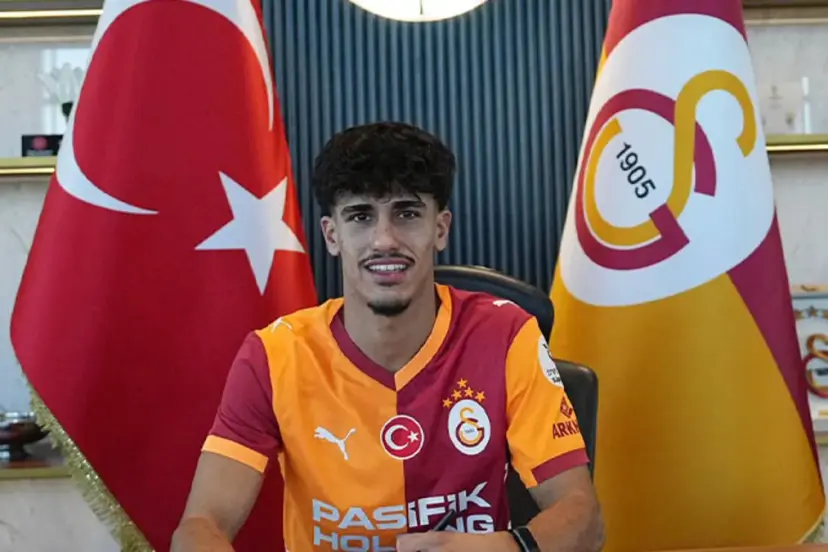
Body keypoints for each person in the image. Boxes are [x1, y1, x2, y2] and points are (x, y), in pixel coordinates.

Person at [171, 121, 604, 552]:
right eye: (361, 216)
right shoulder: (273, 356)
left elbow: (583, 517)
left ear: (440, 228)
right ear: (332, 235)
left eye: (407, 213)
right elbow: (201, 524)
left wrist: (506, 548)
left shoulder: (506, 336)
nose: (384, 240)